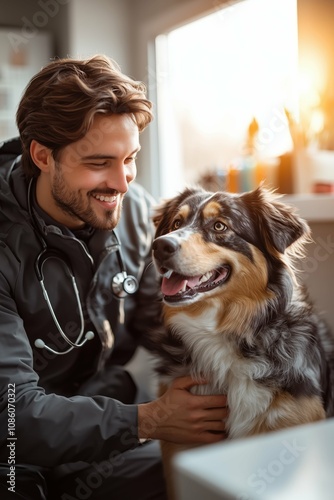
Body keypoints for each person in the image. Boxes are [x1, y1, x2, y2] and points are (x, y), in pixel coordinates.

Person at [0, 55, 228, 500]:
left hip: (101, 424)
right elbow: (13, 417)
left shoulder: (136, 212)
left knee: (199, 482)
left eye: (130, 159)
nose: (122, 182)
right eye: (100, 162)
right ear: (43, 156)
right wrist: (148, 420)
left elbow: (160, 324)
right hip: (13, 451)